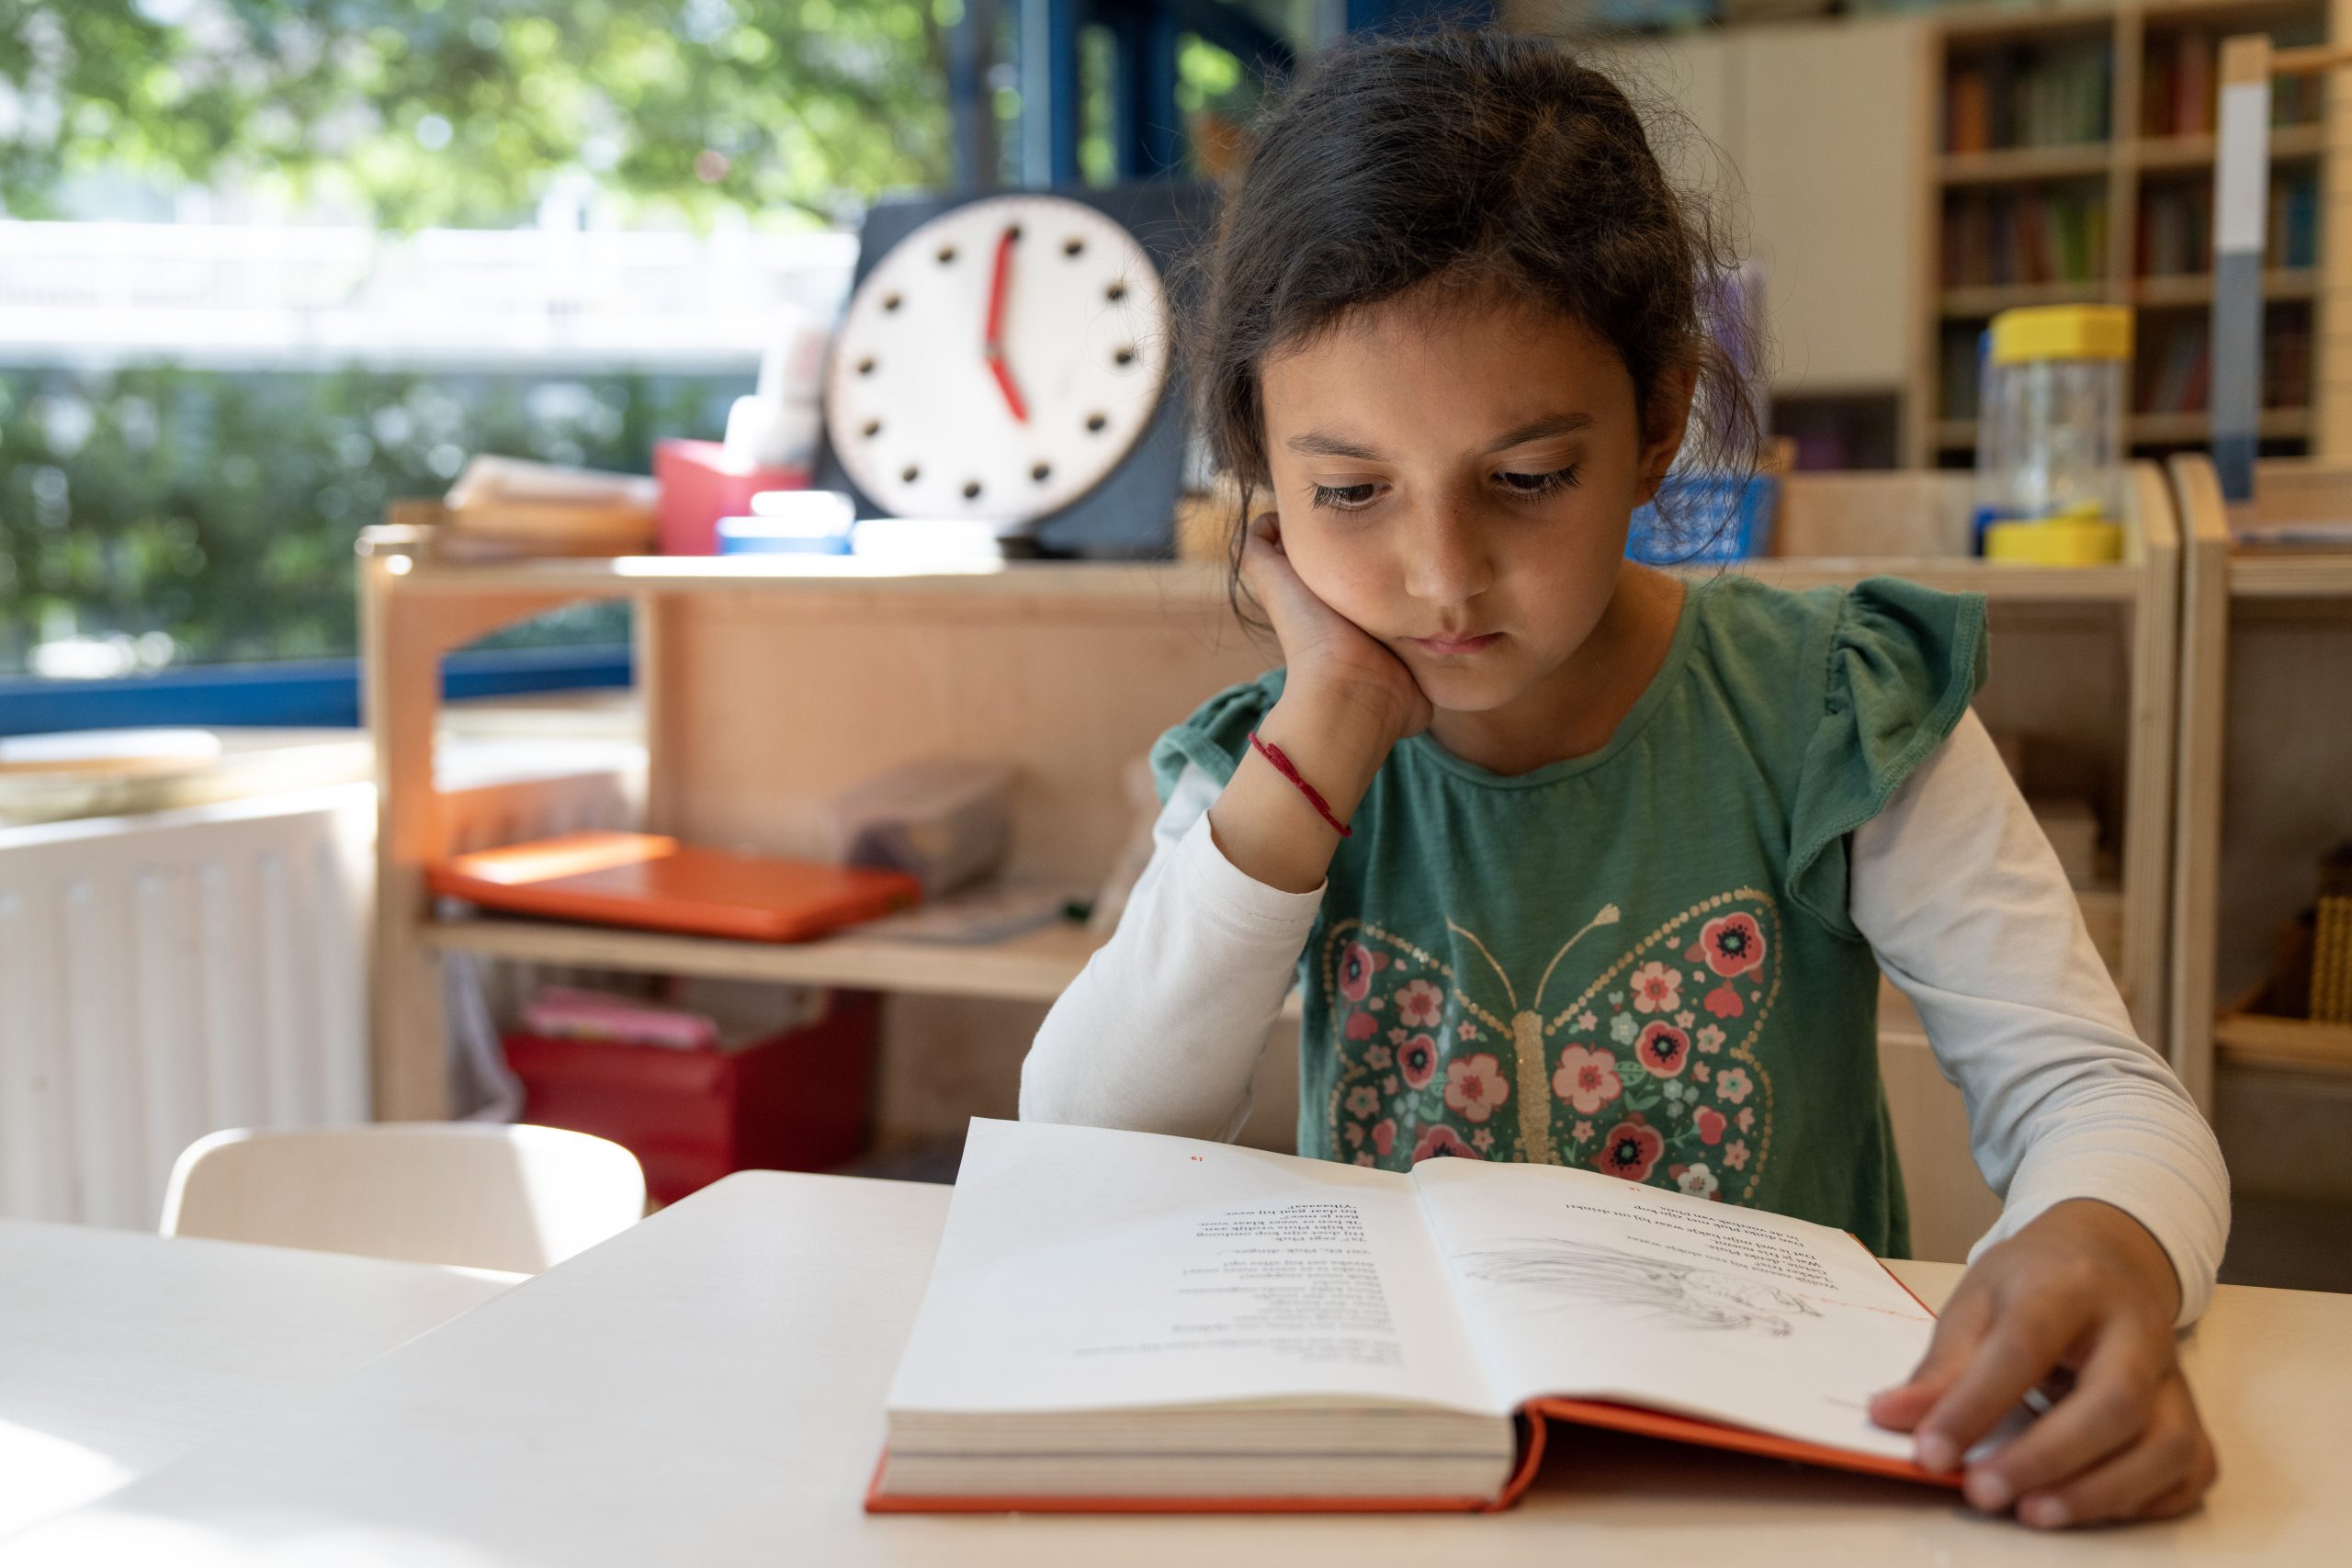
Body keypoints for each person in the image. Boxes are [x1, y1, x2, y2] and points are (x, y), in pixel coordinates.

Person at [1020, 29, 2225, 1529]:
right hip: (1422, 1489)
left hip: (1771, 1492)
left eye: (1526, 479)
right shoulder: (1268, 765)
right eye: (1347, 493)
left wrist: (2106, 1244)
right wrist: (1326, 719)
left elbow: (2094, 1089)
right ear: (1261, 475)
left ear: (1660, 423)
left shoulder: (1831, 705)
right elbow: (1080, 1140)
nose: (1440, 577)